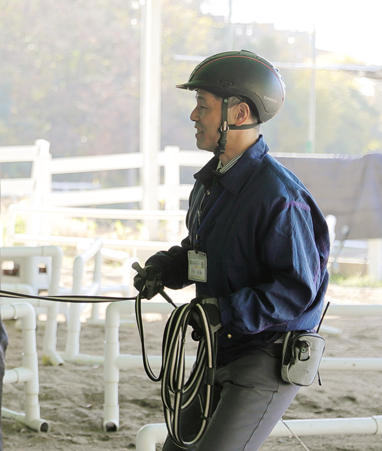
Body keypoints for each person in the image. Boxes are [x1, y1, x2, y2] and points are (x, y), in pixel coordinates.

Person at [133, 50, 330, 451]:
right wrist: (169, 268)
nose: (193, 116)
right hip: (218, 349)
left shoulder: (280, 196)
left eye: (202, 106)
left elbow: (296, 291)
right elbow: (207, 251)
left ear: (238, 115)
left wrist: (224, 312)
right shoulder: (210, 183)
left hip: (265, 356)